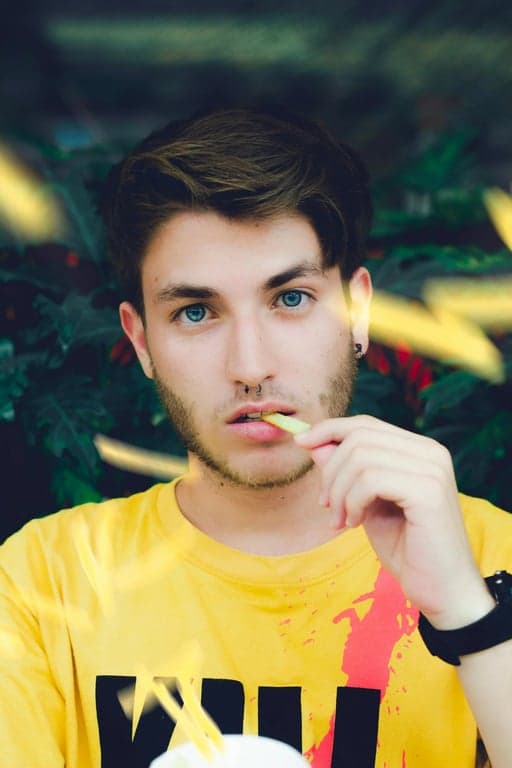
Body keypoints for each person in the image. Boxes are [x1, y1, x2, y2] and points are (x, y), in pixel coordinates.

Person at [1, 107, 511, 768]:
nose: (250, 366)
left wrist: (470, 615)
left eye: (291, 298)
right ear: (140, 342)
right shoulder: (44, 582)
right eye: (195, 312)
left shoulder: (490, 557)